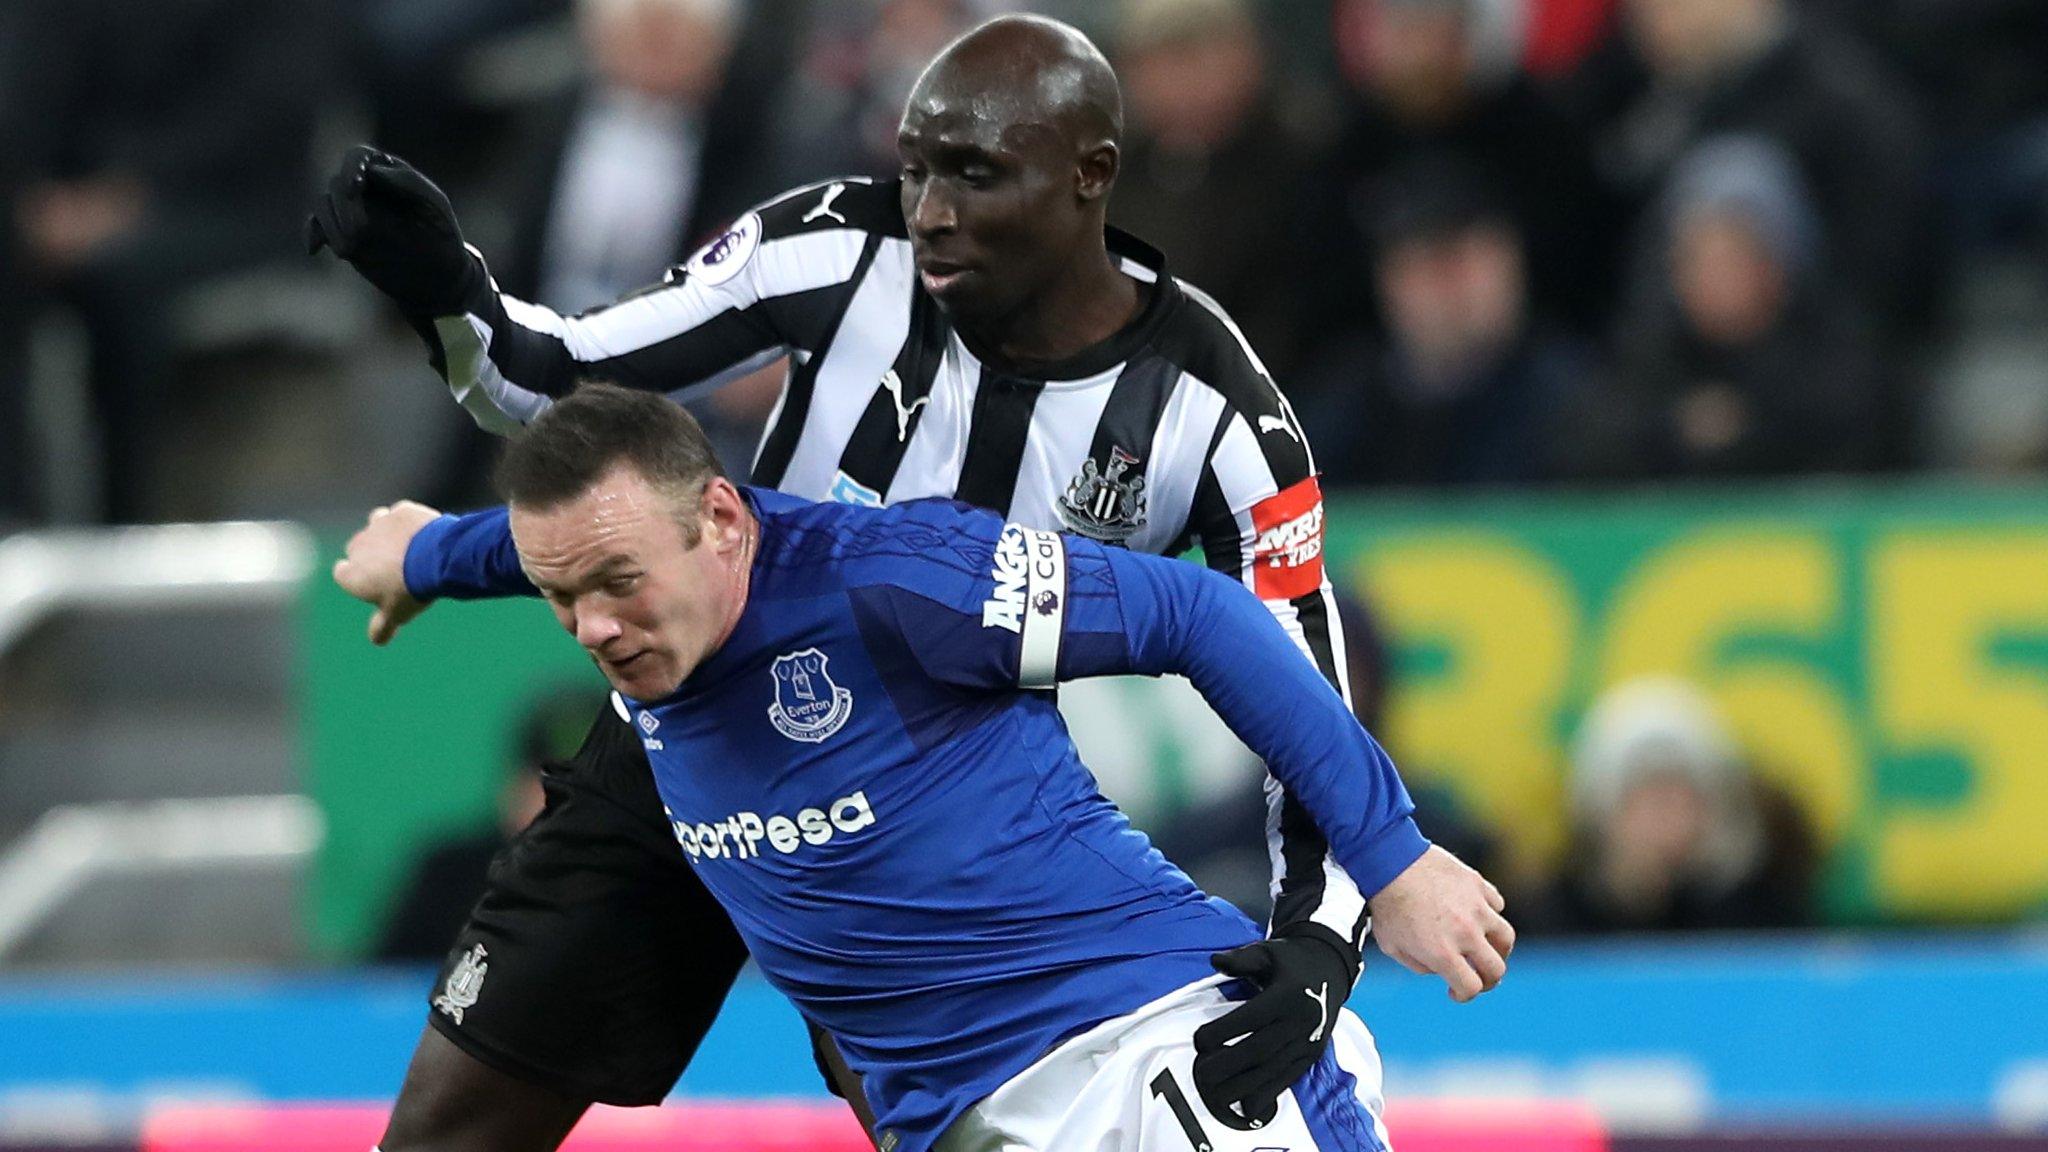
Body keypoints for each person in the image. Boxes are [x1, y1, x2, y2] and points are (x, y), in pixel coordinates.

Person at [314, 15, 1510, 1150]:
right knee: (449, 1124)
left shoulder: (1220, 420)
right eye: (916, 169)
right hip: (690, 733)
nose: (929, 214)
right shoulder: (831, 244)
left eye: (976, 177)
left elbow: (1289, 673)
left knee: (971, 1089)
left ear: (1091, 173)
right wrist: (449, 301)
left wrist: (1319, 937)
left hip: (932, 797)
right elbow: (589, 432)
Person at [434, 381, 1513, 1150]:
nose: (592, 627)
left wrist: (1392, 857)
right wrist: (423, 554)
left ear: (720, 519)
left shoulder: (897, 583)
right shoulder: (635, 597)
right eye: (559, 597)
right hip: (956, 1124)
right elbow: (549, 541)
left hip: (1147, 1071)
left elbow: (1203, 611)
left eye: (616, 581)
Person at [1522, 677, 1815, 935]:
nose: (1669, 820)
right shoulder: (1542, 923)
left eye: (1685, 799)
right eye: (1650, 798)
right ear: (1602, 807)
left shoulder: (1753, 922)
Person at [373, 687, 582, 962]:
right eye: (551, 782)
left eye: (592, 787)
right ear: (516, 788)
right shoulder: (452, 875)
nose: (574, 801)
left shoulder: (645, 873)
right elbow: (382, 987)